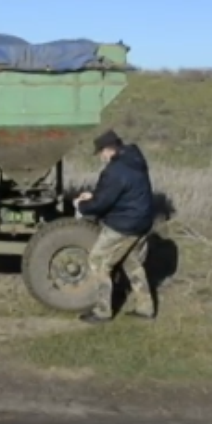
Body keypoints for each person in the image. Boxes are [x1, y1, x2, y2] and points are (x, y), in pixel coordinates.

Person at [74, 129, 156, 324]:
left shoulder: (115, 170)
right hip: (142, 221)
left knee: (98, 261)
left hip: (124, 225)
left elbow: (103, 203)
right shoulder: (134, 159)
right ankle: (145, 308)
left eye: (101, 152)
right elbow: (121, 193)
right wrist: (94, 196)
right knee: (132, 263)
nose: (100, 157)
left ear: (109, 149)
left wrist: (81, 205)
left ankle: (102, 311)